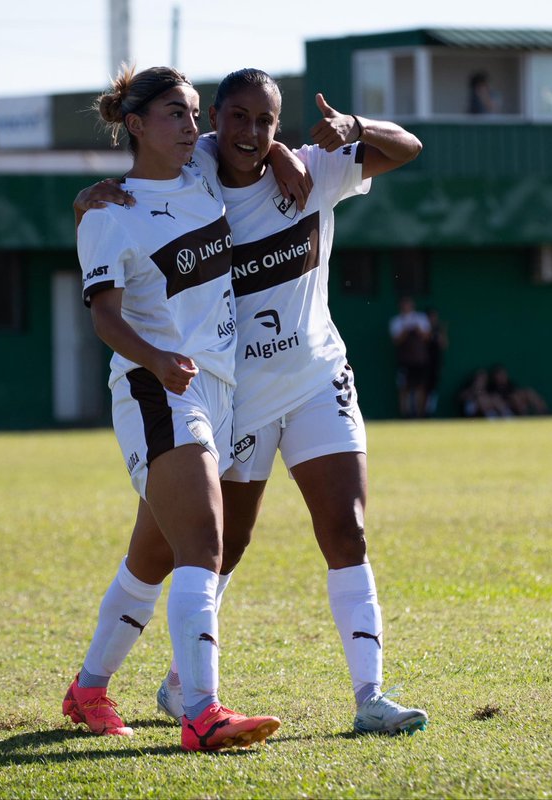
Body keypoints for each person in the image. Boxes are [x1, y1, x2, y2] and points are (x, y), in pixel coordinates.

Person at [74, 68, 428, 736]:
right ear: (215, 118)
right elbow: (121, 209)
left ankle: (369, 697)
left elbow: (407, 146)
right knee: (208, 547)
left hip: (316, 377)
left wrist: (350, 129)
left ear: (278, 124)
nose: (249, 132)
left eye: (265, 121)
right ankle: (164, 688)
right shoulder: (194, 169)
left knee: (344, 527)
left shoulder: (303, 168)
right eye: (234, 117)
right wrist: (91, 200)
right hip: (229, 396)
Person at [63, 65, 282, 752]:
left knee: (150, 559)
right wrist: (156, 359)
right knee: (204, 545)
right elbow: (103, 317)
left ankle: (89, 690)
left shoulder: (200, 177)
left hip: (216, 389)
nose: (193, 127)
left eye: (194, 113)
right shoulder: (108, 212)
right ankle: (202, 711)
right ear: (134, 125)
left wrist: (285, 159)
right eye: (174, 115)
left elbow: (254, 139)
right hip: (156, 389)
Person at [389, 296, 432, 418]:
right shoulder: (396, 321)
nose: (406, 306)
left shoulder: (421, 318)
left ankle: (420, 415)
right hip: (404, 361)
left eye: (409, 303)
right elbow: (396, 340)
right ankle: (405, 415)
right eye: (404, 304)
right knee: (404, 388)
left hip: (420, 360)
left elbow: (427, 337)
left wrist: (417, 330)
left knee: (420, 387)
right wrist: (406, 330)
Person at [423, 308, 448, 417]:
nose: (432, 320)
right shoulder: (421, 330)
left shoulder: (438, 330)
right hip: (421, 364)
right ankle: (416, 414)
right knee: (420, 388)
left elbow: (444, 344)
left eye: (434, 317)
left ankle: (429, 413)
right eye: (430, 317)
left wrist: (442, 333)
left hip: (435, 364)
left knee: (432, 390)